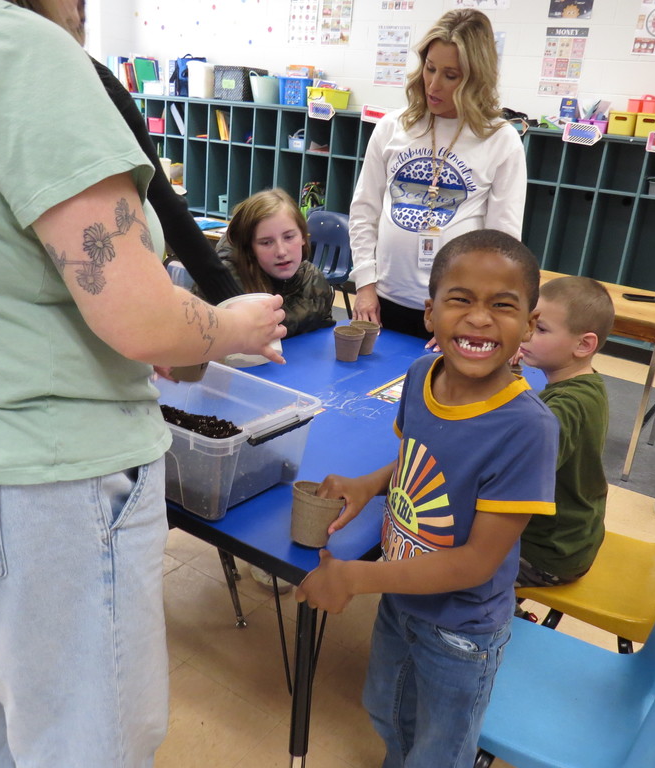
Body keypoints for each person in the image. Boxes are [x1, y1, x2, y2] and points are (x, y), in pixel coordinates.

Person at [0, 2, 284, 767]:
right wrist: (229, 324)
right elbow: (139, 319)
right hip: (28, 482)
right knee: (85, 742)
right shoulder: (4, 45)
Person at [296, 230, 558, 768]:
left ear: (529, 325)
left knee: (439, 750)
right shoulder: (420, 377)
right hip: (402, 596)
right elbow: (421, 459)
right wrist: (371, 484)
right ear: (429, 313)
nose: (480, 318)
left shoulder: (527, 429)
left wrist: (354, 577)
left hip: (462, 630)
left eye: (502, 306)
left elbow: (476, 562)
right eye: (460, 299)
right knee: (387, 713)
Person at [11, 0, 243, 305]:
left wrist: (234, 303)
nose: (82, 10)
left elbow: (162, 200)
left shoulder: (89, 80)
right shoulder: (75, 84)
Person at [348, 9, 527, 339]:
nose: (433, 84)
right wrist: (365, 285)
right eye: (430, 68)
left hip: (454, 310)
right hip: (384, 300)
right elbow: (364, 212)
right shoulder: (393, 127)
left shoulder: (500, 139)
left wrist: (472, 313)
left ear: (475, 79)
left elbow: (502, 244)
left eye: (451, 75)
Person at [514, 275, 614, 592]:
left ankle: (494, 618)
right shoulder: (587, 384)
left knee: (452, 551)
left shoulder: (567, 405)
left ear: (583, 345)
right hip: (575, 539)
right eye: (528, 323)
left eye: (540, 330)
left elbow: (518, 470)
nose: (525, 333)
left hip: (548, 555)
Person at [209, 188, 335, 337]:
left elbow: (323, 336)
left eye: (288, 237)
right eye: (266, 242)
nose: (281, 252)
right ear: (250, 248)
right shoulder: (225, 284)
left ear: (303, 236)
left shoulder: (314, 280)